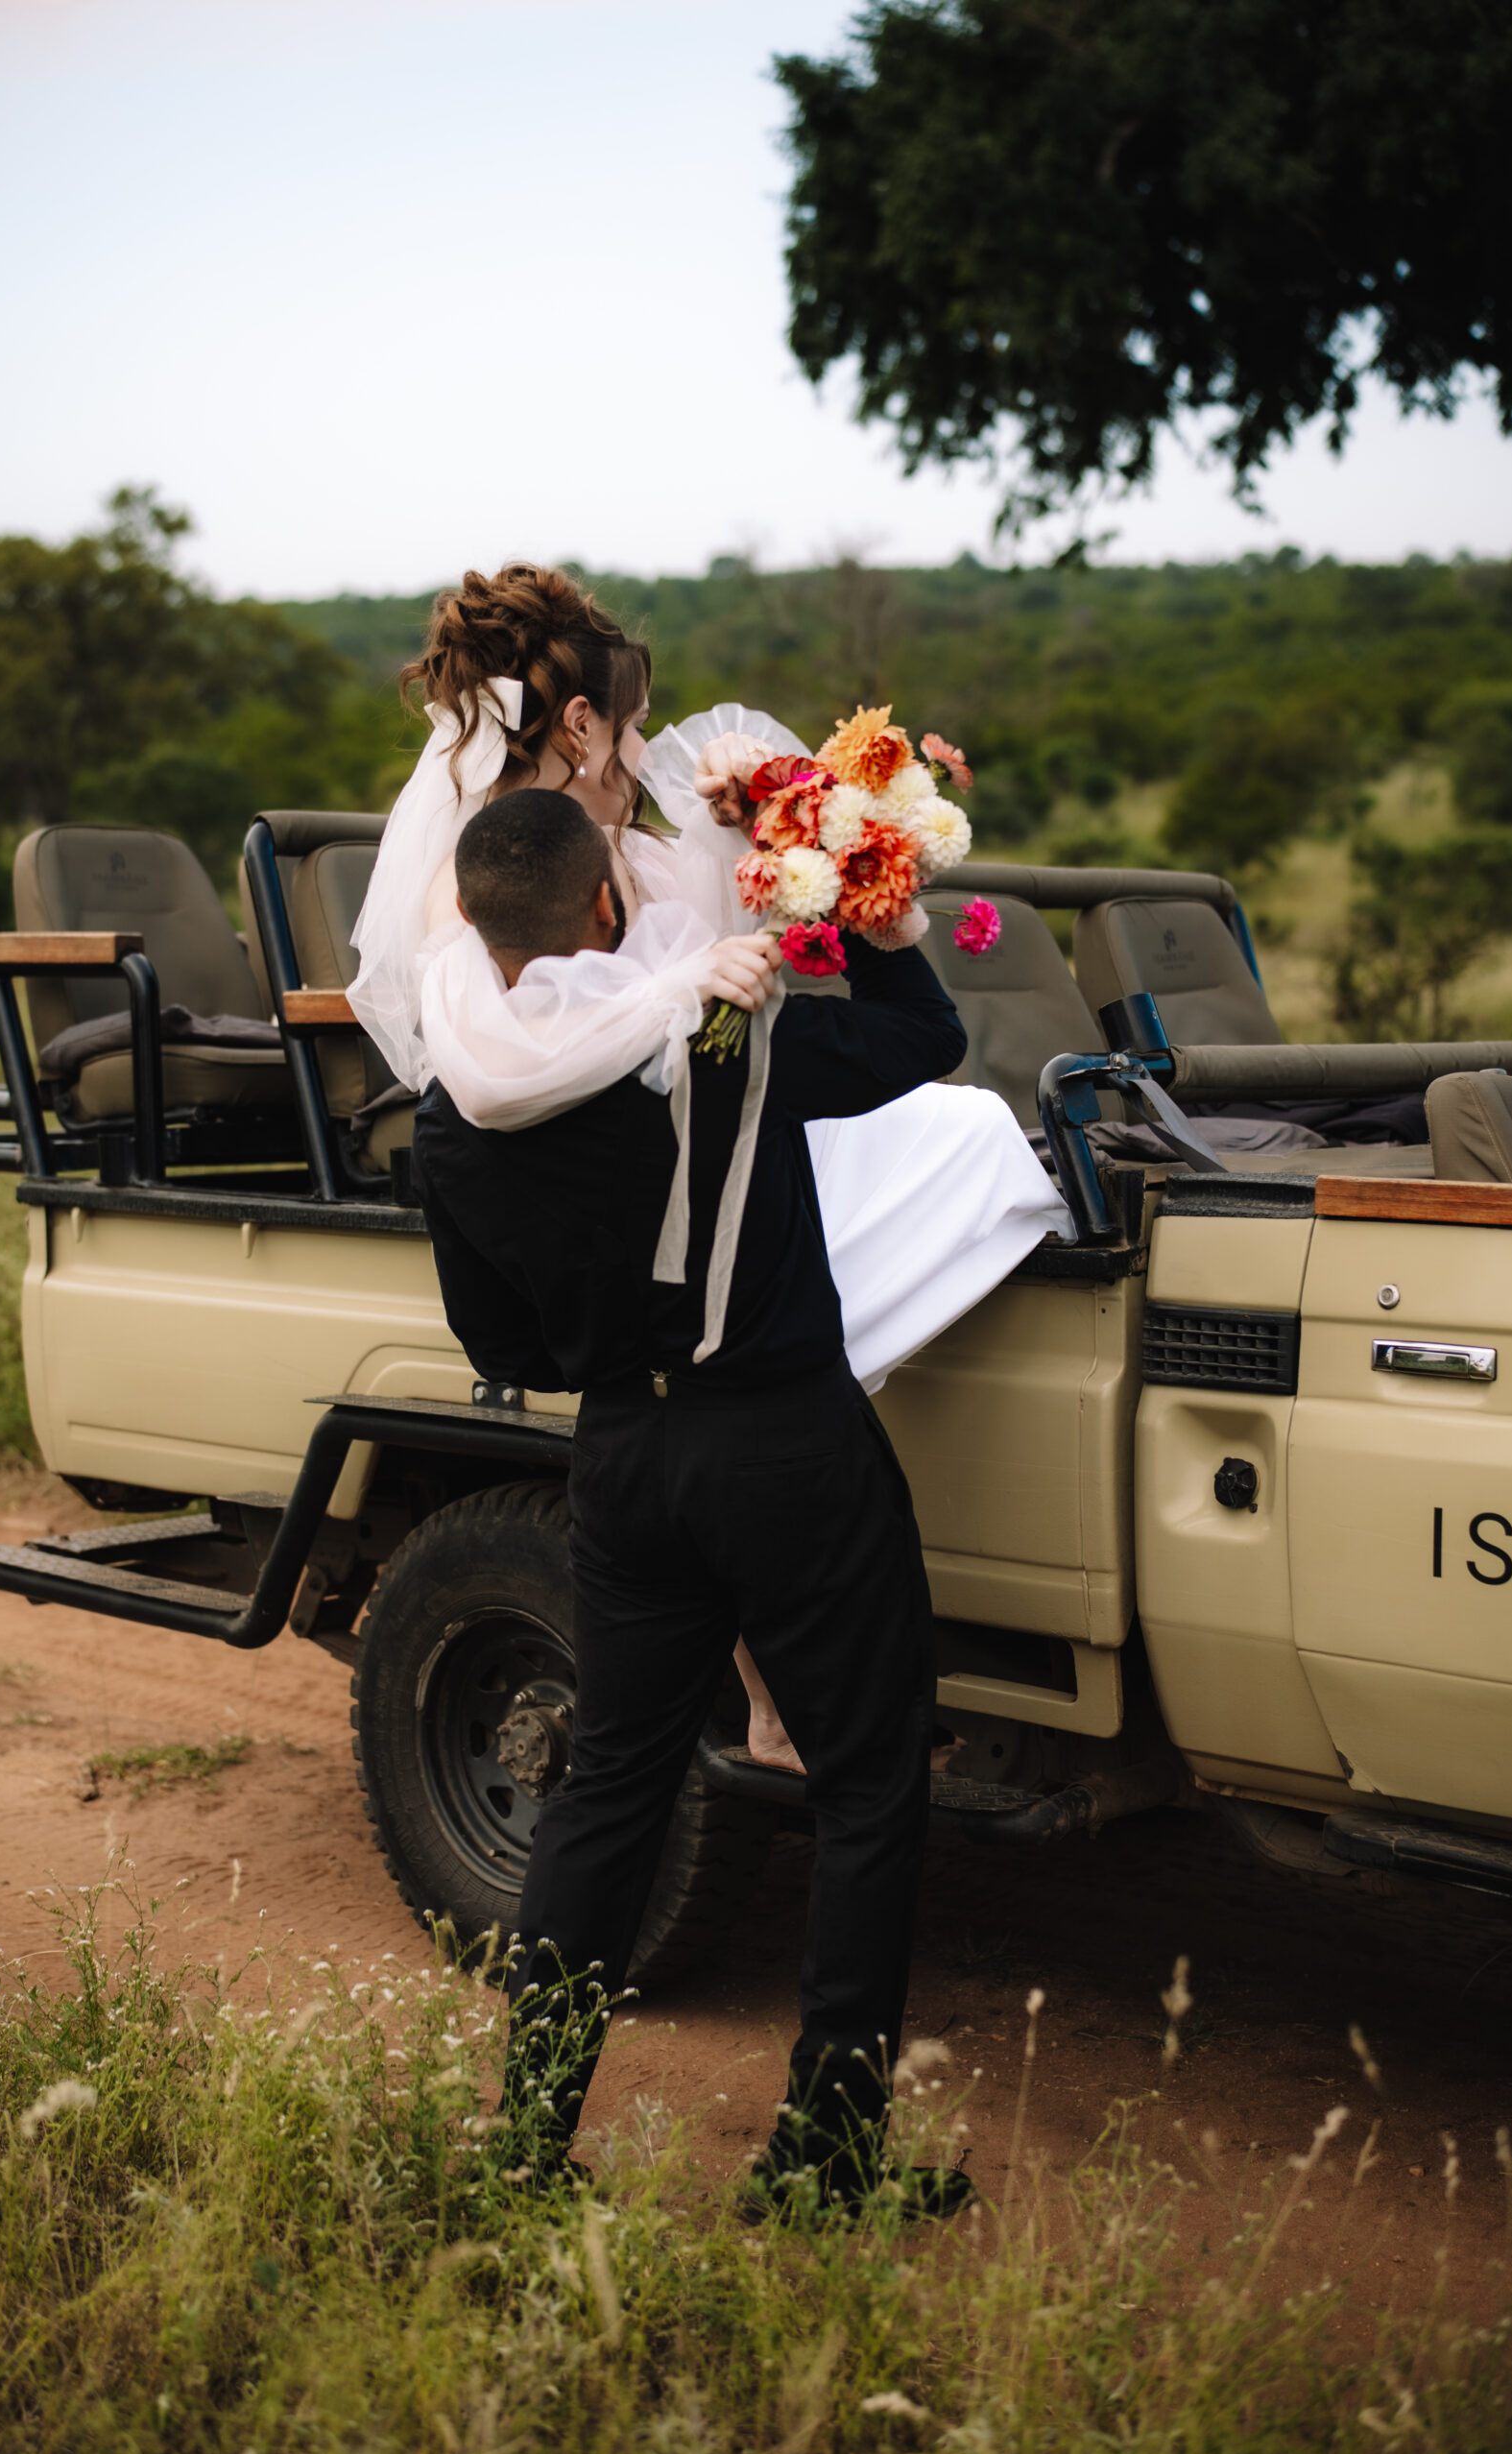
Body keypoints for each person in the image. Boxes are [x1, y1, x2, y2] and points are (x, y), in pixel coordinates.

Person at [350, 562, 1069, 1768]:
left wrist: (789, 829)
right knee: (825, 1228)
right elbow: (493, 1071)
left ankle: (786, 1672)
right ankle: (796, 1682)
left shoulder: (614, 845)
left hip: (698, 1123)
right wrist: (682, 998)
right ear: (578, 723)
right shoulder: (486, 872)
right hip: (595, 1178)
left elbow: (732, 943)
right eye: (632, 725)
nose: (648, 748)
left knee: (945, 1129)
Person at [413, 786, 972, 2214]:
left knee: (610, 1787)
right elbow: (924, 1041)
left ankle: (528, 2143)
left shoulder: (453, 1104)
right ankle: (825, 2156)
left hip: (622, 1458)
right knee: (862, 1784)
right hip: (781, 1442)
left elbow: (501, 1347)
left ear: (469, 928)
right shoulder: (720, 1032)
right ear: (606, 904)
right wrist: (893, 928)